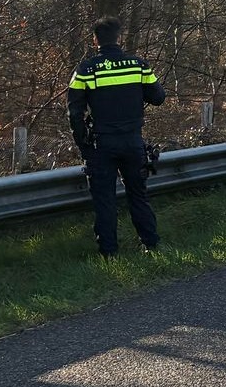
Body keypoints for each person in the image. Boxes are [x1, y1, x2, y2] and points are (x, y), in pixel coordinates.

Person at [68, 16, 166, 257]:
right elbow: (158, 97)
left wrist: (84, 145)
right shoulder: (138, 65)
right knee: (138, 195)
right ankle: (151, 245)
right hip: (133, 141)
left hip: (101, 143)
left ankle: (109, 254)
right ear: (119, 37)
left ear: (95, 40)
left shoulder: (85, 70)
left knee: (105, 201)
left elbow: (74, 112)